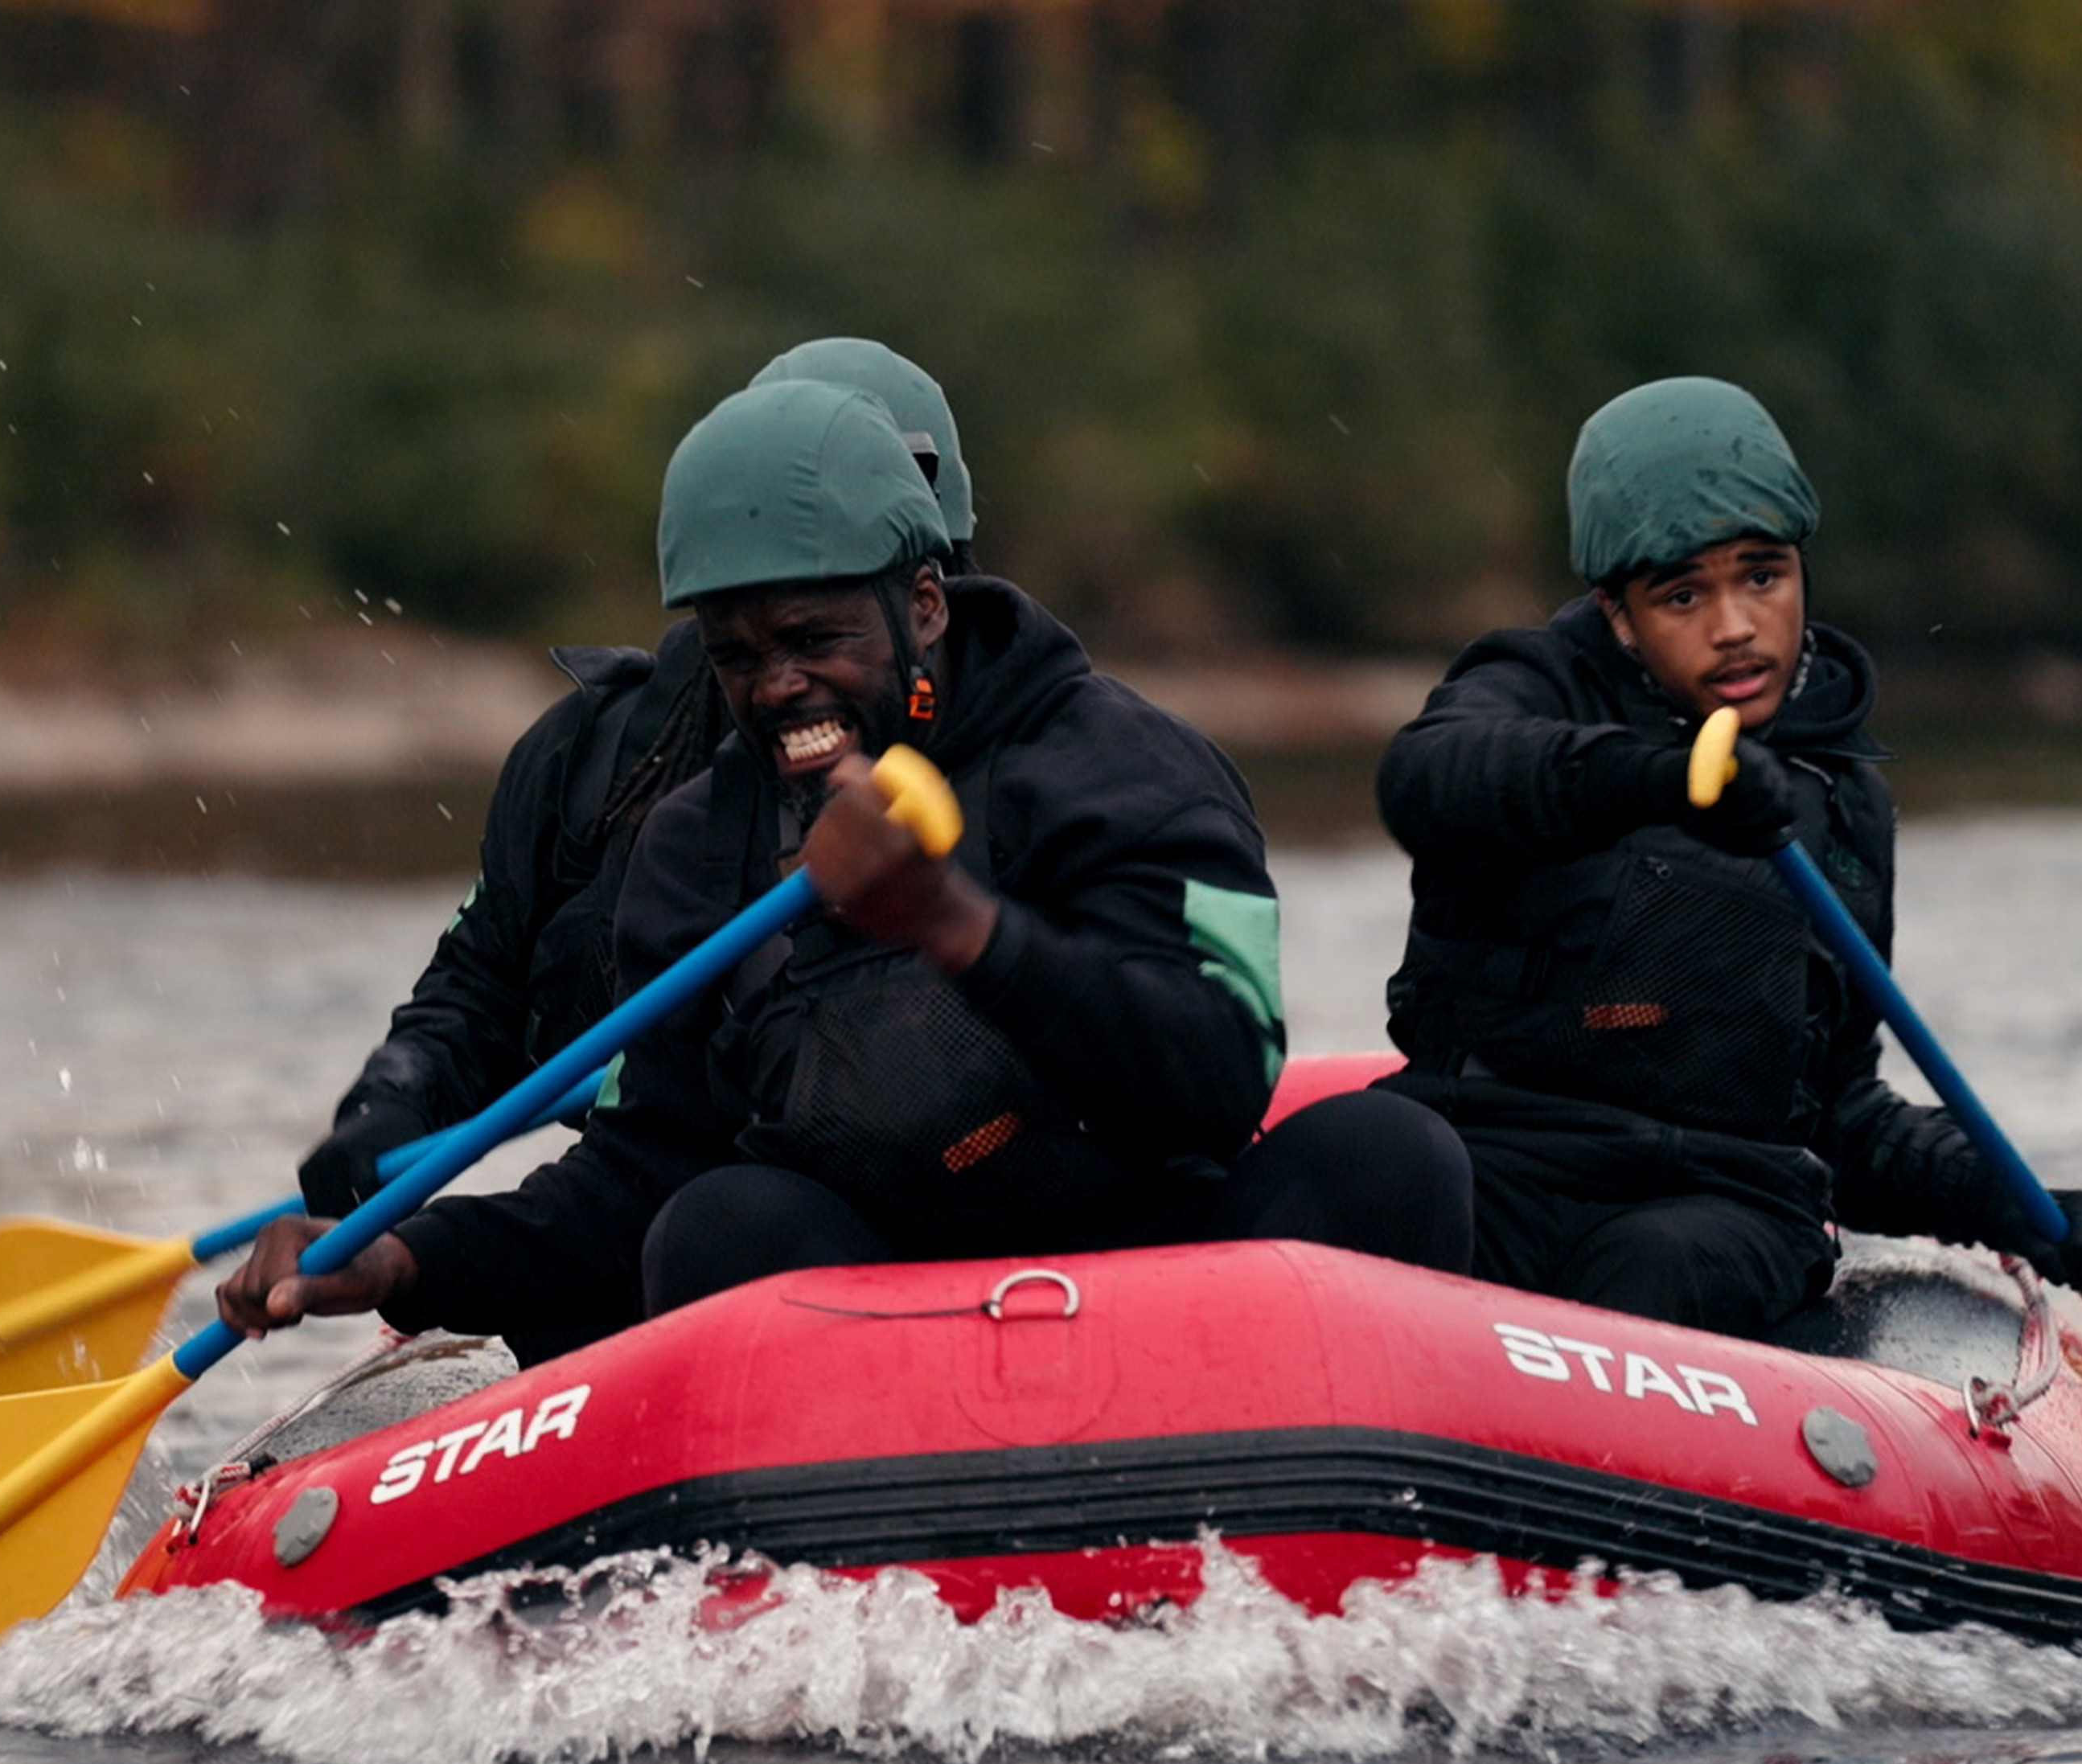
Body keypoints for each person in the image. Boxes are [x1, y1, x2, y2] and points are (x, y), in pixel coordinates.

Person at [227, 378, 1472, 1360]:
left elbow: (1210, 1077)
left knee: (1390, 1156)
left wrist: (954, 925)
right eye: (738, 654)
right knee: (715, 1227)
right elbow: (639, 1173)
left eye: (816, 640)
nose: (777, 688)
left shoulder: (1124, 763)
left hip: (1165, 1255)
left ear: (925, 603)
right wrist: (400, 1260)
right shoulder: (698, 844)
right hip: (884, 1320)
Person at [1372, 375, 2082, 1338]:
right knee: (1362, 1157)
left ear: (1800, 572)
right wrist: (1657, 779)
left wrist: (1986, 1192)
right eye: (1682, 593)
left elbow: (1838, 1114)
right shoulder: (1530, 691)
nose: (1732, 625)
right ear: (1618, 613)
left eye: (1761, 576)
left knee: (1652, 1270)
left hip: (1716, 1207)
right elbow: (1424, 781)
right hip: (1496, 1157)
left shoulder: (1843, 806)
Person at [294, 338, 982, 1220]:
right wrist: (391, 1102)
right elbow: (478, 982)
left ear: (929, 588)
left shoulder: (1035, 757)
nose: (787, 672)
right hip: (637, 1220)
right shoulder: (588, 758)